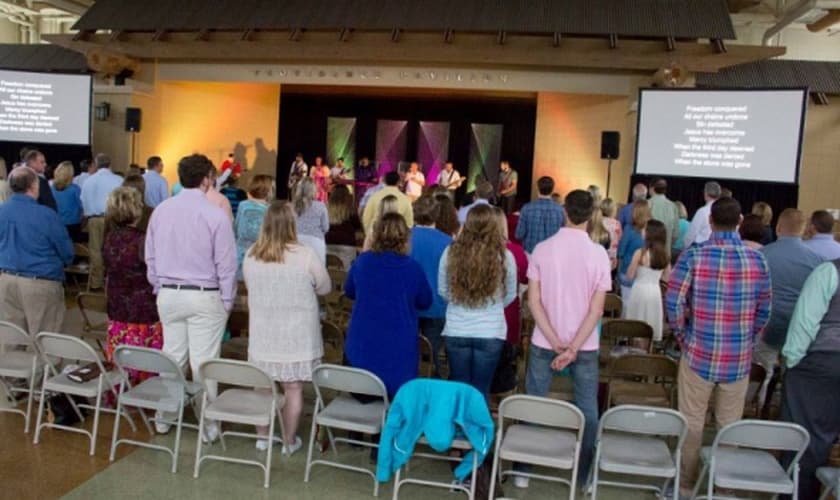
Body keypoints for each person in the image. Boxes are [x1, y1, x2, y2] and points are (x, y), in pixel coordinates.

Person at [666, 196, 771, 498]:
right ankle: (722, 486)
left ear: (710, 221)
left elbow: (673, 301)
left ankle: (686, 485)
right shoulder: (758, 260)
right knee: (729, 424)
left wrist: (684, 336)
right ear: (739, 223)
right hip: (738, 358)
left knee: (692, 421)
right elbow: (765, 310)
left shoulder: (694, 256)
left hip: (698, 351)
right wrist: (748, 340)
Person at [518, 189, 611, 488]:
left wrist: (556, 339)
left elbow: (534, 303)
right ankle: (583, 476)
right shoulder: (599, 253)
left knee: (534, 401)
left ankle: (522, 467)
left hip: (545, 341)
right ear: (591, 214)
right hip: (585, 345)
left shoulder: (543, 248)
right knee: (587, 409)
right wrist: (572, 347)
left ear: (564, 211)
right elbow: (597, 310)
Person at [145, 154, 237, 442]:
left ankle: (165, 417)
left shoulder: (161, 211)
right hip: (204, 296)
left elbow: (150, 256)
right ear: (207, 179)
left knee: (173, 357)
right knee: (204, 363)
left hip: (169, 294)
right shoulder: (215, 215)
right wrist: (227, 301)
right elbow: (227, 265)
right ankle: (208, 426)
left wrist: (160, 286)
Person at [243, 201, 331, 455]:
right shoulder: (305, 255)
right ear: (292, 225)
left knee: (262, 386)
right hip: (297, 335)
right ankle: (289, 441)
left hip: (264, 332)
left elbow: (250, 284)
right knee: (293, 389)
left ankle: (262, 437)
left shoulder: (252, 254)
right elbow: (325, 287)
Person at [344, 212, 432, 397]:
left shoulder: (363, 262)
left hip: (360, 362)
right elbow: (425, 301)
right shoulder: (412, 268)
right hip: (399, 365)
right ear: (405, 238)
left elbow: (349, 291)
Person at [439, 204, 517, 398]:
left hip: (457, 328)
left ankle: (457, 427)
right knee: (481, 391)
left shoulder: (451, 253)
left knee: (458, 390)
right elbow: (511, 294)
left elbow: (443, 290)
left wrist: (460, 302)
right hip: (490, 330)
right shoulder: (505, 256)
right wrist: (493, 305)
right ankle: (477, 428)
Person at [779, 258, 840, 500]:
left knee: (805, 441)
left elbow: (804, 321)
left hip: (822, 363)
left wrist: (793, 362)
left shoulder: (830, 271)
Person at [0, 167, 73, 335]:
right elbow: (66, 251)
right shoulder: (46, 215)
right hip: (41, 283)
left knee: (11, 340)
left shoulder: (2, 211)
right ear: (34, 186)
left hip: (6, 280)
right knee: (45, 342)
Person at [102, 186, 162, 387]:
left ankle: (120, 390)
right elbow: (155, 273)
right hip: (143, 308)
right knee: (143, 358)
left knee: (121, 354)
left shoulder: (109, 237)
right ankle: (144, 393)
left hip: (117, 304)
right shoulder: (142, 240)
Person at [753, 209, 823, 376]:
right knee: (791, 373)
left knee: (763, 369)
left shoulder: (761, 255)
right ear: (804, 229)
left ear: (778, 227)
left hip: (765, 326)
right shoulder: (817, 261)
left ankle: (761, 397)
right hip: (798, 327)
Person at [410, 196, 452, 377]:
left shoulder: (403, 237)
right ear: (437, 215)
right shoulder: (447, 242)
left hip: (408, 305)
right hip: (437, 306)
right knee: (432, 357)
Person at [81, 153, 124, 290]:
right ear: (110, 164)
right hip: (113, 219)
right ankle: (112, 281)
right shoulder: (118, 180)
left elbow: (83, 200)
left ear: (96, 164)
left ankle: (96, 283)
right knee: (114, 250)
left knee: (95, 251)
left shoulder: (88, 181)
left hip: (93, 219)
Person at [624, 220, 671, 342]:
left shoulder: (640, 253)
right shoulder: (665, 255)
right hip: (655, 292)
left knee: (635, 325)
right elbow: (667, 277)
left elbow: (630, 275)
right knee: (650, 324)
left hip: (639, 290)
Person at [235, 175, 274, 279]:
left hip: (241, 252)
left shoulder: (243, 205)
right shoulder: (270, 209)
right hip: (260, 253)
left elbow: (237, 226)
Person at [515, 176, 564, 254]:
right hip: (552, 252)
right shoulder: (560, 210)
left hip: (531, 252)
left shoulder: (527, 208)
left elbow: (519, 234)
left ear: (537, 189)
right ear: (552, 190)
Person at [617, 200, 650, 299]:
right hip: (645, 274)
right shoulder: (652, 230)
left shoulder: (628, 229)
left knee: (626, 307)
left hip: (627, 272)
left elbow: (621, 252)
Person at [325, 184, 362, 267]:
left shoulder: (325, 212)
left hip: (327, 245)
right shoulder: (351, 212)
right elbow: (359, 233)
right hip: (347, 246)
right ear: (348, 198)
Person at [50, 161, 84, 242]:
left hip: (57, 223)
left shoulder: (51, 189)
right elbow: (82, 207)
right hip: (73, 224)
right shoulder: (75, 189)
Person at [683, 181, 722, 248]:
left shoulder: (702, 211)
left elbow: (691, 234)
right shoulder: (724, 210)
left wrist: (686, 248)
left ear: (705, 193)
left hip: (701, 248)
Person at [648, 178, 680, 250]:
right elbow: (676, 234)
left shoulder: (647, 204)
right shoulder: (673, 206)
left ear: (652, 188)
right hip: (665, 253)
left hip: (648, 252)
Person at [601, 198, 622, 269]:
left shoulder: (598, 221)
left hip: (600, 251)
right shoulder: (617, 223)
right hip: (612, 253)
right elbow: (620, 238)